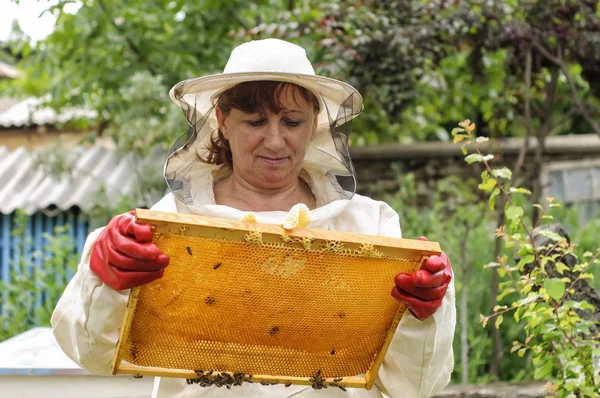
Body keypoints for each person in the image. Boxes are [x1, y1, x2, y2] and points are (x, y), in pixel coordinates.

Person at [52, 38, 455, 398]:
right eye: (256, 121)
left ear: (314, 124)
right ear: (223, 122)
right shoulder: (167, 223)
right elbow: (91, 352)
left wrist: (425, 314)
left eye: (292, 122)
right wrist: (105, 280)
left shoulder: (370, 225)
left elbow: (413, 386)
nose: (275, 140)